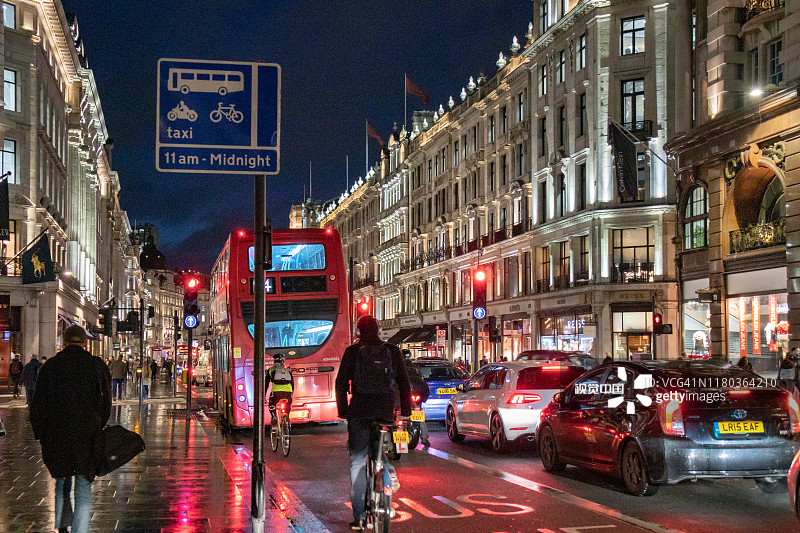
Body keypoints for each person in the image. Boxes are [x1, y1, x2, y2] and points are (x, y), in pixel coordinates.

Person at [29, 325, 111, 533]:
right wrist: (98, 424)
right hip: (87, 434)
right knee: (83, 485)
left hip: (57, 434)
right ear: (85, 342)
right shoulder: (96, 365)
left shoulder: (51, 366)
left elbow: (39, 403)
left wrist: (41, 433)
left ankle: (63, 526)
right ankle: (79, 530)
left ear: (64, 341)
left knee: (62, 482)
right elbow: (106, 402)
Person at [336, 315, 411, 531]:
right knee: (378, 449)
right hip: (385, 411)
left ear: (359, 331)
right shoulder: (392, 351)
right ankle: (387, 469)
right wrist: (405, 412)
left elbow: (341, 383)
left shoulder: (352, 352)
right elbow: (404, 383)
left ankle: (360, 517)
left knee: (358, 461)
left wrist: (344, 411)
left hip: (359, 410)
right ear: (378, 330)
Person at [267, 353, 294, 423]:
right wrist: (291, 393)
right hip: (288, 392)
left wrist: (264, 396)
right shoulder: (287, 369)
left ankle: (274, 416)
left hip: (276, 392)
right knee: (288, 404)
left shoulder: (271, 370)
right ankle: (287, 416)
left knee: (272, 403)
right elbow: (292, 382)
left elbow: (266, 384)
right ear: (283, 360)